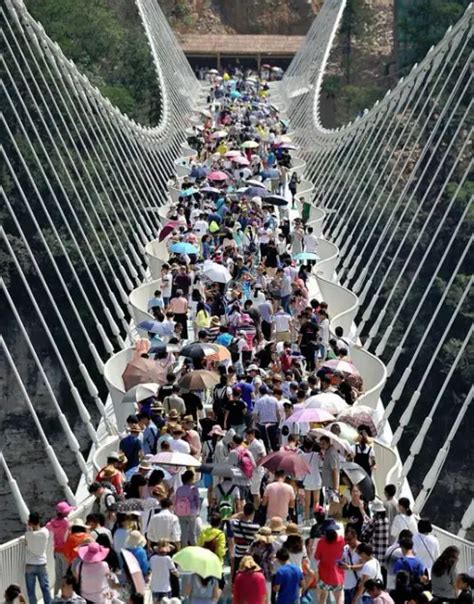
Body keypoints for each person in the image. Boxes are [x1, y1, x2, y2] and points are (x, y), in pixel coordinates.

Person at [46, 500, 75, 595]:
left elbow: (47, 526)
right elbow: (70, 529)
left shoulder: (52, 523)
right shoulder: (66, 522)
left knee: (58, 575)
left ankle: (55, 594)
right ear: (65, 512)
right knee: (65, 575)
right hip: (65, 551)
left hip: (56, 551)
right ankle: (64, 594)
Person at [24, 512, 52, 604]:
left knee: (31, 591)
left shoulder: (28, 535)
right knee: (45, 588)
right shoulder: (45, 532)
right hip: (41, 564)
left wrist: (29, 528)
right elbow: (40, 530)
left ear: (30, 522)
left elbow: (27, 541)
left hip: (30, 565)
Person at [315, 521, 345, 604]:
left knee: (322, 598)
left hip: (323, 576)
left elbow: (317, 557)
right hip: (337, 575)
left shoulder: (321, 542)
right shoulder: (342, 541)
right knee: (338, 599)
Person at [229, 502, 260, 577]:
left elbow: (230, 519)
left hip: (238, 555)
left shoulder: (235, 524)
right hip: (249, 556)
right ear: (252, 513)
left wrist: (240, 514)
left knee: (237, 575)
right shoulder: (256, 527)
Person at [174, 469, 200, 546]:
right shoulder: (194, 489)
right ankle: (194, 547)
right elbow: (197, 501)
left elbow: (176, 500)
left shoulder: (179, 489)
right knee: (192, 532)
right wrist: (197, 511)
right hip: (191, 512)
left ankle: (184, 547)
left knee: (183, 532)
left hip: (180, 512)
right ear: (191, 478)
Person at [341, 527, 362, 604]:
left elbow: (364, 565)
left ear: (355, 536)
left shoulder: (362, 548)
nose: (347, 541)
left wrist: (349, 567)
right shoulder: (345, 548)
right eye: (346, 539)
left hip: (358, 586)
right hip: (346, 585)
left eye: (349, 539)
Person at [320, 435, 340, 503]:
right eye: (321, 444)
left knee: (329, 505)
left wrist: (335, 488)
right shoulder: (328, 451)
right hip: (327, 484)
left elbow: (334, 470)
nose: (322, 446)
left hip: (330, 486)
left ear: (328, 443)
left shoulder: (331, 453)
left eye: (323, 444)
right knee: (327, 504)